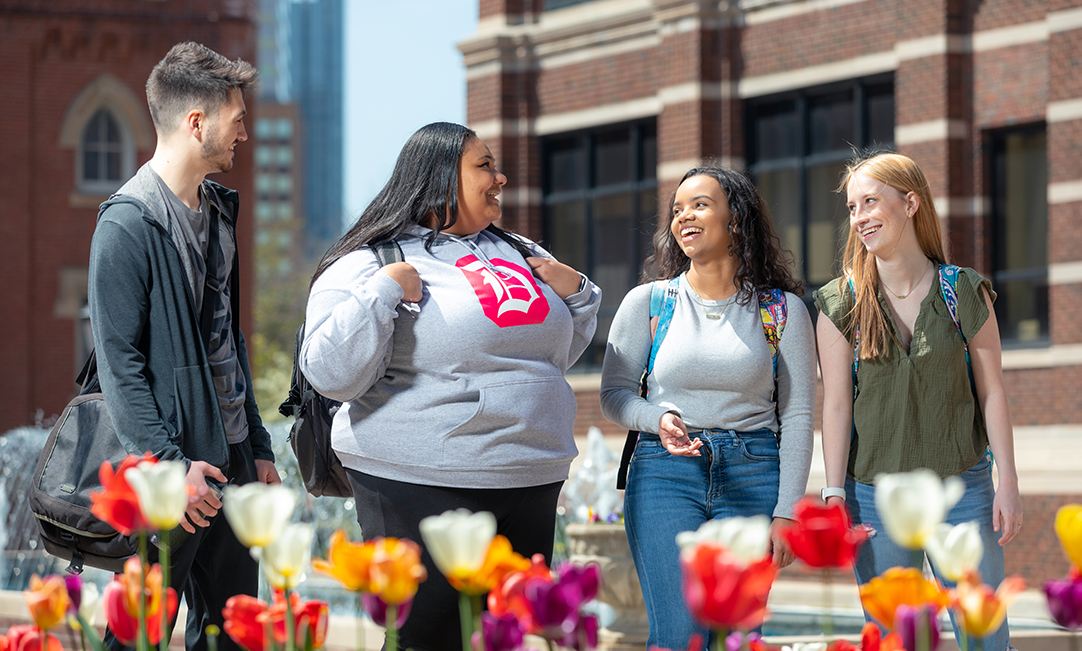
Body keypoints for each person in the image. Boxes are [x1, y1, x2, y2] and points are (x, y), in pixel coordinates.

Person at [299, 122, 600, 650]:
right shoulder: (370, 261)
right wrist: (380, 294)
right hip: (420, 481)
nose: (500, 176)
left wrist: (578, 294)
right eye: (484, 166)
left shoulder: (519, 250)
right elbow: (329, 374)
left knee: (506, 640)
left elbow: (549, 355)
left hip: (529, 474)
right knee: (431, 641)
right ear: (439, 178)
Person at [87, 42, 280, 651]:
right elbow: (120, 367)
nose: (244, 133)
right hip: (170, 477)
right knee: (136, 637)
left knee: (232, 636)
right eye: (237, 118)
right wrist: (171, 471)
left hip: (229, 465)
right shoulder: (127, 224)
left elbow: (230, 342)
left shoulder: (220, 216)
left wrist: (256, 445)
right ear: (196, 123)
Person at [815, 151, 1023, 651]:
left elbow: (992, 391)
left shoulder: (963, 291)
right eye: (851, 207)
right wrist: (833, 494)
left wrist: (1009, 482)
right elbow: (837, 406)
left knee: (985, 639)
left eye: (870, 201)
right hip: (873, 496)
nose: (859, 216)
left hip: (964, 490)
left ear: (910, 203)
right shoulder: (840, 302)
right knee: (892, 642)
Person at [601, 166, 816, 649]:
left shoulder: (781, 310)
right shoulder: (650, 302)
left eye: (699, 204)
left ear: (735, 219)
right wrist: (656, 419)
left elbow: (799, 414)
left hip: (755, 472)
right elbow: (613, 395)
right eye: (677, 210)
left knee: (738, 634)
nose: (684, 217)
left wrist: (786, 511)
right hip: (663, 475)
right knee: (678, 635)